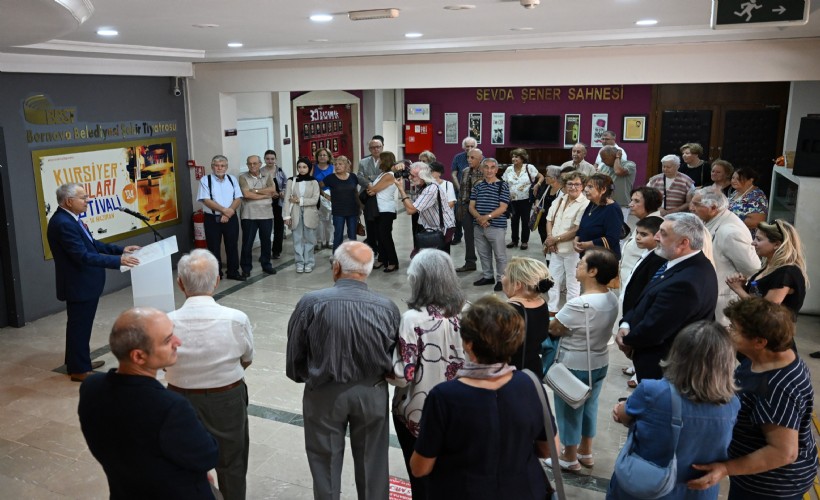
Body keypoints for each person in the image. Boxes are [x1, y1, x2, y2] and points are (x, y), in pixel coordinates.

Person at [286, 242, 400, 500]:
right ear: (368, 271)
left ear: (336, 267)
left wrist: (312, 376)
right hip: (372, 392)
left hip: (325, 392)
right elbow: (396, 357)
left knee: (324, 462)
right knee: (373, 462)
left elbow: (295, 356)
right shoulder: (388, 307)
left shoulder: (311, 303)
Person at [410, 295, 554, 499]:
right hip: (523, 490)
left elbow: (420, 468)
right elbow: (549, 449)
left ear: (468, 344)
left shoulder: (444, 396)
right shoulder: (530, 384)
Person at [78, 308, 219, 499]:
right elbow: (207, 455)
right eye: (168, 340)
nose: (178, 342)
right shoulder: (170, 407)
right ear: (138, 356)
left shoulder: (91, 387)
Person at [688, 298, 817, 500]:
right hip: (753, 478)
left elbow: (784, 452)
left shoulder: (778, 387)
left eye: (734, 329)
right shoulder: (769, 356)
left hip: (770, 487)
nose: (728, 332)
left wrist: (725, 468)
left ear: (759, 342)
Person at [608, 321, 740, 500]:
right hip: (697, 491)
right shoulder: (732, 404)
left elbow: (622, 415)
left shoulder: (652, 391)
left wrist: (621, 410)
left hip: (646, 487)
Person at [165, 249, 254, 500]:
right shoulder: (236, 319)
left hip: (178, 400)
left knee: (183, 462)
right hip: (226, 398)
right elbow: (247, 358)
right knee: (232, 464)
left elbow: (162, 363)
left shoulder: (166, 322)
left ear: (180, 283)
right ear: (216, 281)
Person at [387, 249, 466, 499]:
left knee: (421, 481)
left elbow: (402, 374)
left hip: (418, 413)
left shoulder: (412, 319)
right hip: (461, 410)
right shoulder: (468, 311)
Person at [47, 183, 140, 382]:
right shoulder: (63, 223)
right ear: (69, 201)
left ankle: (79, 361)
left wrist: (121, 251)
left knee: (81, 325)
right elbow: (82, 255)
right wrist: (118, 261)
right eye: (83, 197)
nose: (88, 200)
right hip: (78, 283)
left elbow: (92, 244)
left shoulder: (71, 219)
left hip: (84, 282)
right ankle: (79, 370)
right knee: (79, 326)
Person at [616, 213, 719, 381]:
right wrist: (626, 323)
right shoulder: (675, 262)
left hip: (664, 367)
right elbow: (643, 299)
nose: (656, 237)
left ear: (684, 242)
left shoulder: (688, 282)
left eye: (663, 233)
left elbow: (655, 328)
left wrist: (627, 340)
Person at [548, 248, 620, 472]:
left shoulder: (579, 304)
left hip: (574, 364)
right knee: (589, 406)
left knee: (569, 409)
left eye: (582, 262)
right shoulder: (611, 298)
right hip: (599, 361)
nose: (578, 264)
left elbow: (554, 328)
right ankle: (585, 452)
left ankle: (568, 457)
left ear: (593, 271)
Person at [691, 188, 760, 325]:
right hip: (709, 294)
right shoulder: (711, 220)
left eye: (696, 204)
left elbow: (753, 268)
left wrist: (737, 285)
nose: (691, 208)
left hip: (723, 299)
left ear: (713, 208)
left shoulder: (729, 232)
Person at [726, 219, 807, 321]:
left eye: (759, 239)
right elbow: (757, 298)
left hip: (772, 334)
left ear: (777, 244)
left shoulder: (786, 272)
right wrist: (744, 286)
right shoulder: (769, 267)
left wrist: (738, 289)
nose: (753, 243)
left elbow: (767, 311)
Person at [544, 171, 589, 315]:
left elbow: (576, 229)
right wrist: (550, 238)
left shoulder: (585, 204)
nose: (573, 187)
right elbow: (549, 219)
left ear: (582, 186)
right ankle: (552, 310)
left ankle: (571, 312)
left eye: (577, 184)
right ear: (565, 185)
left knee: (573, 283)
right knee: (552, 280)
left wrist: (554, 240)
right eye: (570, 184)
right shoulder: (560, 199)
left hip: (572, 250)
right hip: (555, 249)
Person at [502, 256, 553, 374]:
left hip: (510, 374)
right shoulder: (542, 303)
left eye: (505, 275)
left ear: (518, 284)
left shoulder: (508, 312)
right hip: (533, 370)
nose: (502, 278)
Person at [198, 155, 244, 281]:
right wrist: (224, 211)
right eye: (217, 165)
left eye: (222, 165)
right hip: (212, 219)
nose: (220, 168)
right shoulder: (205, 180)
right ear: (212, 167)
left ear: (226, 167)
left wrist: (228, 213)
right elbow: (206, 200)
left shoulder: (232, 179)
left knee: (232, 245)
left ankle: (233, 272)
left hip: (231, 218)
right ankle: (216, 274)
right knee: (213, 247)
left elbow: (238, 198)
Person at [396, 162, 457, 256]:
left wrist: (401, 189)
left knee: (440, 259)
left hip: (443, 229)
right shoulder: (424, 186)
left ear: (422, 176)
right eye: (410, 175)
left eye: (413, 176)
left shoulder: (430, 189)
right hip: (433, 226)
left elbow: (410, 210)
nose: (410, 178)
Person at [469, 157, 510, 291]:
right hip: (479, 226)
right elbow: (471, 206)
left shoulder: (503, 185)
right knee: (483, 253)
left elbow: (503, 208)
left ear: (497, 170)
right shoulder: (477, 185)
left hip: (496, 226)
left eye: (492, 167)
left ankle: (501, 279)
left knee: (500, 255)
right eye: (486, 167)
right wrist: (480, 219)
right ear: (482, 169)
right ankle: (488, 276)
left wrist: (487, 217)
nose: (489, 170)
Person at [238, 154, 277, 276]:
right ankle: (246, 268)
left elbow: (272, 189)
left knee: (266, 241)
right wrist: (265, 195)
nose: (252, 166)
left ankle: (266, 265)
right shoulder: (243, 177)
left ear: (260, 164)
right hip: (249, 215)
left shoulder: (267, 175)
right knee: (247, 243)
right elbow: (246, 195)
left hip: (266, 214)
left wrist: (254, 191)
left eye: (255, 163)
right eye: (249, 163)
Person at [573, 173, 624, 260]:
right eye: (586, 186)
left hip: (603, 259)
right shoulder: (592, 203)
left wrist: (588, 244)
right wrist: (576, 239)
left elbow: (612, 239)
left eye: (590, 187)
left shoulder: (612, 209)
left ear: (603, 189)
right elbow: (583, 225)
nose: (585, 189)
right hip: (588, 255)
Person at [283, 157, 321, 273]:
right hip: (295, 212)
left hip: (310, 212)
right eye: (299, 167)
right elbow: (287, 199)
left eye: (304, 167)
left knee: (310, 239)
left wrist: (299, 200)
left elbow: (315, 200)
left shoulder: (314, 181)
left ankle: (309, 262)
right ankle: (299, 262)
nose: (302, 169)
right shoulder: (291, 180)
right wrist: (286, 216)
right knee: (297, 239)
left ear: (309, 168)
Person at [502, 148, 544, 250]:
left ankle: (525, 241)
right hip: (512, 199)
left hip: (526, 199)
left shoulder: (529, 168)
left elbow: (541, 177)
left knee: (525, 221)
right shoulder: (509, 169)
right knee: (514, 221)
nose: (513, 158)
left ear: (522, 158)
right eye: (513, 156)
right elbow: (504, 182)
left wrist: (537, 185)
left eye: (516, 156)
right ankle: (514, 240)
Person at [366, 152, 399, 272]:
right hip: (379, 209)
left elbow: (373, 190)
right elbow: (373, 190)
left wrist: (370, 185)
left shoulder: (389, 175)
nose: (378, 160)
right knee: (379, 236)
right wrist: (372, 188)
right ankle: (382, 259)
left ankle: (393, 261)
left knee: (385, 236)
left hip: (386, 210)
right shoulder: (382, 174)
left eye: (380, 158)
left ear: (385, 160)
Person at [321, 155, 360, 252]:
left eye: (340, 164)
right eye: (335, 164)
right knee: (338, 234)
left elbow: (355, 192)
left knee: (352, 235)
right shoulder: (330, 178)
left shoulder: (353, 177)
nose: (337, 166)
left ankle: (353, 256)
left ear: (346, 166)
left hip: (352, 210)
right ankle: (336, 257)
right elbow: (318, 186)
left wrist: (360, 208)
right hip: (338, 210)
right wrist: (326, 196)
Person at [455, 148, 486, 271]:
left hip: (482, 210)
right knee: (468, 237)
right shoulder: (465, 171)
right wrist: (460, 207)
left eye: (472, 158)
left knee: (485, 238)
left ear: (480, 159)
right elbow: (462, 191)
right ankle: (470, 262)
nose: (469, 160)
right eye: (468, 157)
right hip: (466, 208)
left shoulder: (485, 172)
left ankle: (487, 268)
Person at [357, 138, 384, 255]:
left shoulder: (387, 161)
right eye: (373, 147)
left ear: (382, 147)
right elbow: (359, 177)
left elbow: (387, 177)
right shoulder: (363, 162)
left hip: (382, 196)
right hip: (367, 196)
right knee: (370, 224)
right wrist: (369, 183)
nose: (376, 149)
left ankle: (383, 249)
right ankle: (373, 249)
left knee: (382, 226)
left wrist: (371, 178)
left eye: (378, 147)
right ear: (369, 149)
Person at [597, 145, 636, 221]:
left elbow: (618, 171)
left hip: (621, 205)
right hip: (605, 203)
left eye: (604, 158)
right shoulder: (603, 167)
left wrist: (617, 157)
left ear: (614, 156)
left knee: (620, 230)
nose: (602, 161)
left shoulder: (630, 164)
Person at [450, 137, 478, 243]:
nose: (469, 148)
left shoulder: (481, 157)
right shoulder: (458, 157)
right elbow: (454, 174)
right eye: (467, 146)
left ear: (475, 146)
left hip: (475, 192)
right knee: (458, 215)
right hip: (459, 191)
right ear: (463, 147)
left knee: (474, 214)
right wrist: (459, 188)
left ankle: (473, 237)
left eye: (472, 146)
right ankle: (457, 236)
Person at [728, 166, 768, 235]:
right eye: (733, 178)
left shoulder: (757, 197)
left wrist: (728, 218)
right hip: (730, 231)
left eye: (739, 179)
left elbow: (756, 222)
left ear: (750, 180)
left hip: (744, 236)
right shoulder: (736, 191)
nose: (734, 181)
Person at [263, 149, 288, 260]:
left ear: (275, 159)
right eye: (268, 159)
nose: (270, 161)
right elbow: (259, 187)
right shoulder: (260, 172)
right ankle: (265, 252)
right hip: (265, 202)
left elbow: (286, 184)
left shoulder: (280, 171)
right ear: (264, 159)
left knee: (279, 227)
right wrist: (270, 194)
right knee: (266, 228)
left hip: (278, 202)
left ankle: (276, 251)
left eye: (272, 159)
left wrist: (282, 191)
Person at [311, 147, 335, 250]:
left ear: (329, 157)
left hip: (330, 196)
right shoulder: (313, 167)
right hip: (316, 195)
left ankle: (330, 241)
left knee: (330, 219)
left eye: (324, 155)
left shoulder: (333, 167)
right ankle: (319, 241)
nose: (322, 157)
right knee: (318, 220)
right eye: (320, 155)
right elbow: (311, 181)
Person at [535, 165, 565, 245]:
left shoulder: (563, 190)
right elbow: (538, 197)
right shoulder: (546, 186)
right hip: (542, 219)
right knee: (544, 241)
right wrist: (537, 204)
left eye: (547, 176)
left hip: (555, 222)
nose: (544, 177)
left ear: (554, 178)